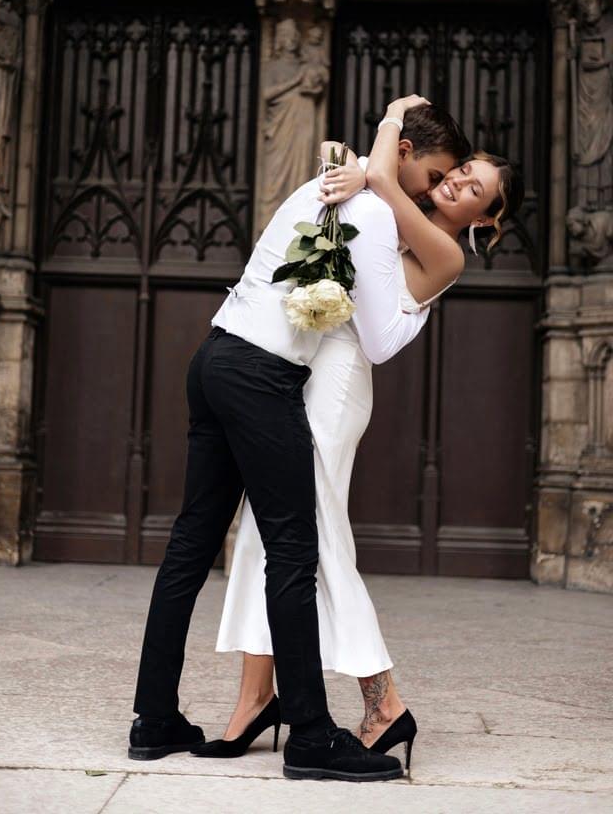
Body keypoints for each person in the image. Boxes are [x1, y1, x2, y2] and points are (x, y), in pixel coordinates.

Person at [129, 97, 467, 782]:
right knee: (293, 548)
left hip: (215, 354)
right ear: (403, 153)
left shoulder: (324, 185)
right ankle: (310, 734)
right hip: (261, 376)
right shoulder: (371, 210)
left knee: (192, 543)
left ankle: (153, 720)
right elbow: (375, 332)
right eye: (434, 175)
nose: (433, 191)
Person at [204, 96, 524, 773]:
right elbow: (361, 196)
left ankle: (384, 702)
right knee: (265, 533)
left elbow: (375, 327)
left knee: (313, 541)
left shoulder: (441, 248)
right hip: (305, 376)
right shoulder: (394, 211)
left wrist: (386, 129)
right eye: (463, 169)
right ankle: (255, 698)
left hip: (337, 389)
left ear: (487, 222)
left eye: (476, 189)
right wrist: (361, 162)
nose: (460, 182)